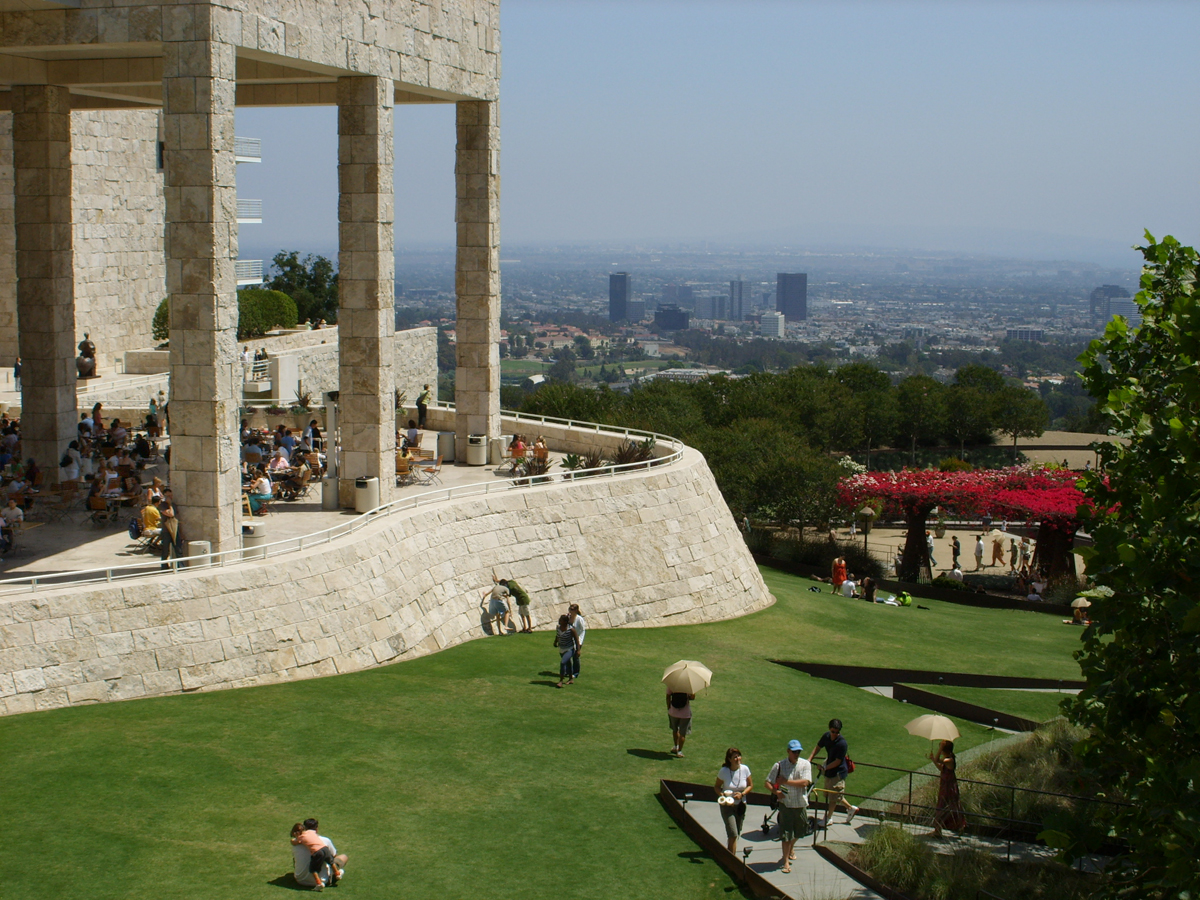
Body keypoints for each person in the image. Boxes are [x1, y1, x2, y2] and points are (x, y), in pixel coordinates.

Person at [767, 740, 812, 874]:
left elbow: (805, 783)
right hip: (786, 805)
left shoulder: (805, 764)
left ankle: (791, 847)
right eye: (794, 752)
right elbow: (768, 782)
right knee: (786, 834)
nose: (796, 754)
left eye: (798, 752)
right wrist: (776, 792)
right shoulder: (779, 765)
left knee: (801, 830)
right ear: (788, 751)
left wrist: (786, 782)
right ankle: (785, 861)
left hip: (800, 804)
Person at [808, 718, 858, 827]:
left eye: (837, 732)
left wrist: (825, 768)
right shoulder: (826, 736)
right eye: (833, 731)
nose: (835, 734)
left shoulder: (842, 744)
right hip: (829, 768)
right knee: (831, 793)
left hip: (838, 772)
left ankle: (828, 818)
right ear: (829, 730)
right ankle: (850, 808)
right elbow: (818, 747)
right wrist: (809, 759)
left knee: (833, 797)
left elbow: (838, 761)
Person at [714, 747, 753, 853]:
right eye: (735, 757)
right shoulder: (724, 771)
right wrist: (722, 794)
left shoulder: (745, 769)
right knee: (733, 833)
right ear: (729, 759)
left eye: (738, 756)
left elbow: (750, 785)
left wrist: (742, 794)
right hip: (727, 806)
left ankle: (729, 852)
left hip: (740, 805)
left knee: (736, 833)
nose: (737, 759)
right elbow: (717, 786)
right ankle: (732, 859)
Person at [291, 818, 344, 891]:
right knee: (342, 858)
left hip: (301, 880)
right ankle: (337, 873)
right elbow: (335, 855)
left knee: (313, 869)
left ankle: (318, 882)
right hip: (323, 852)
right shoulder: (324, 840)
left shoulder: (297, 844)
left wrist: (296, 838)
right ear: (316, 828)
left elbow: (294, 842)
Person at [928, 740, 967, 837]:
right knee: (944, 806)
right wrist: (933, 759)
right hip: (945, 785)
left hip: (949, 787)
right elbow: (941, 768)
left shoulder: (949, 760)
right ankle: (938, 829)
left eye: (942, 749)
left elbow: (939, 760)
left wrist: (940, 748)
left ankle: (959, 826)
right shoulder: (947, 760)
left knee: (946, 806)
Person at [666, 688, 694, 757]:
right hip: (685, 714)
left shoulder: (672, 684)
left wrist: (669, 707)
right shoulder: (688, 686)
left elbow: (668, 696)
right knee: (682, 733)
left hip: (673, 712)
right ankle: (680, 751)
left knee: (675, 730)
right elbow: (692, 697)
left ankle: (676, 746)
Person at [554, 614, 579, 688]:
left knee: (563, 662)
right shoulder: (558, 628)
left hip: (569, 649)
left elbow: (576, 639)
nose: (559, 621)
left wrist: (578, 650)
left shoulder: (571, 629)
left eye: (561, 620)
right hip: (561, 649)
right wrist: (555, 642)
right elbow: (558, 635)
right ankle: (571, 679)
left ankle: (561, 681)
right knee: (568, 664)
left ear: (565, 621)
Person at [159, 503, 184, 568]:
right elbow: (171, 514)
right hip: (166, 531)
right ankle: (164, 566)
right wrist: (169, 505)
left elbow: (176, 516)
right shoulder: (162, 505)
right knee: (165, 550)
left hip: (175, 530)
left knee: (178, 549)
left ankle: (180, 565)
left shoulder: (174, 505)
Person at [568, 604, 586, 680]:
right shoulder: (568, 617)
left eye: (572, 609)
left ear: (576, 610)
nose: (570, 611)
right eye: (570, 609)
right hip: (569, 639)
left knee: (575, 657)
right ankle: (568, 671)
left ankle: (575, 673)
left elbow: (582, 630)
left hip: (577, 640)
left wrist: (580, 642)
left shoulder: (579, 619)